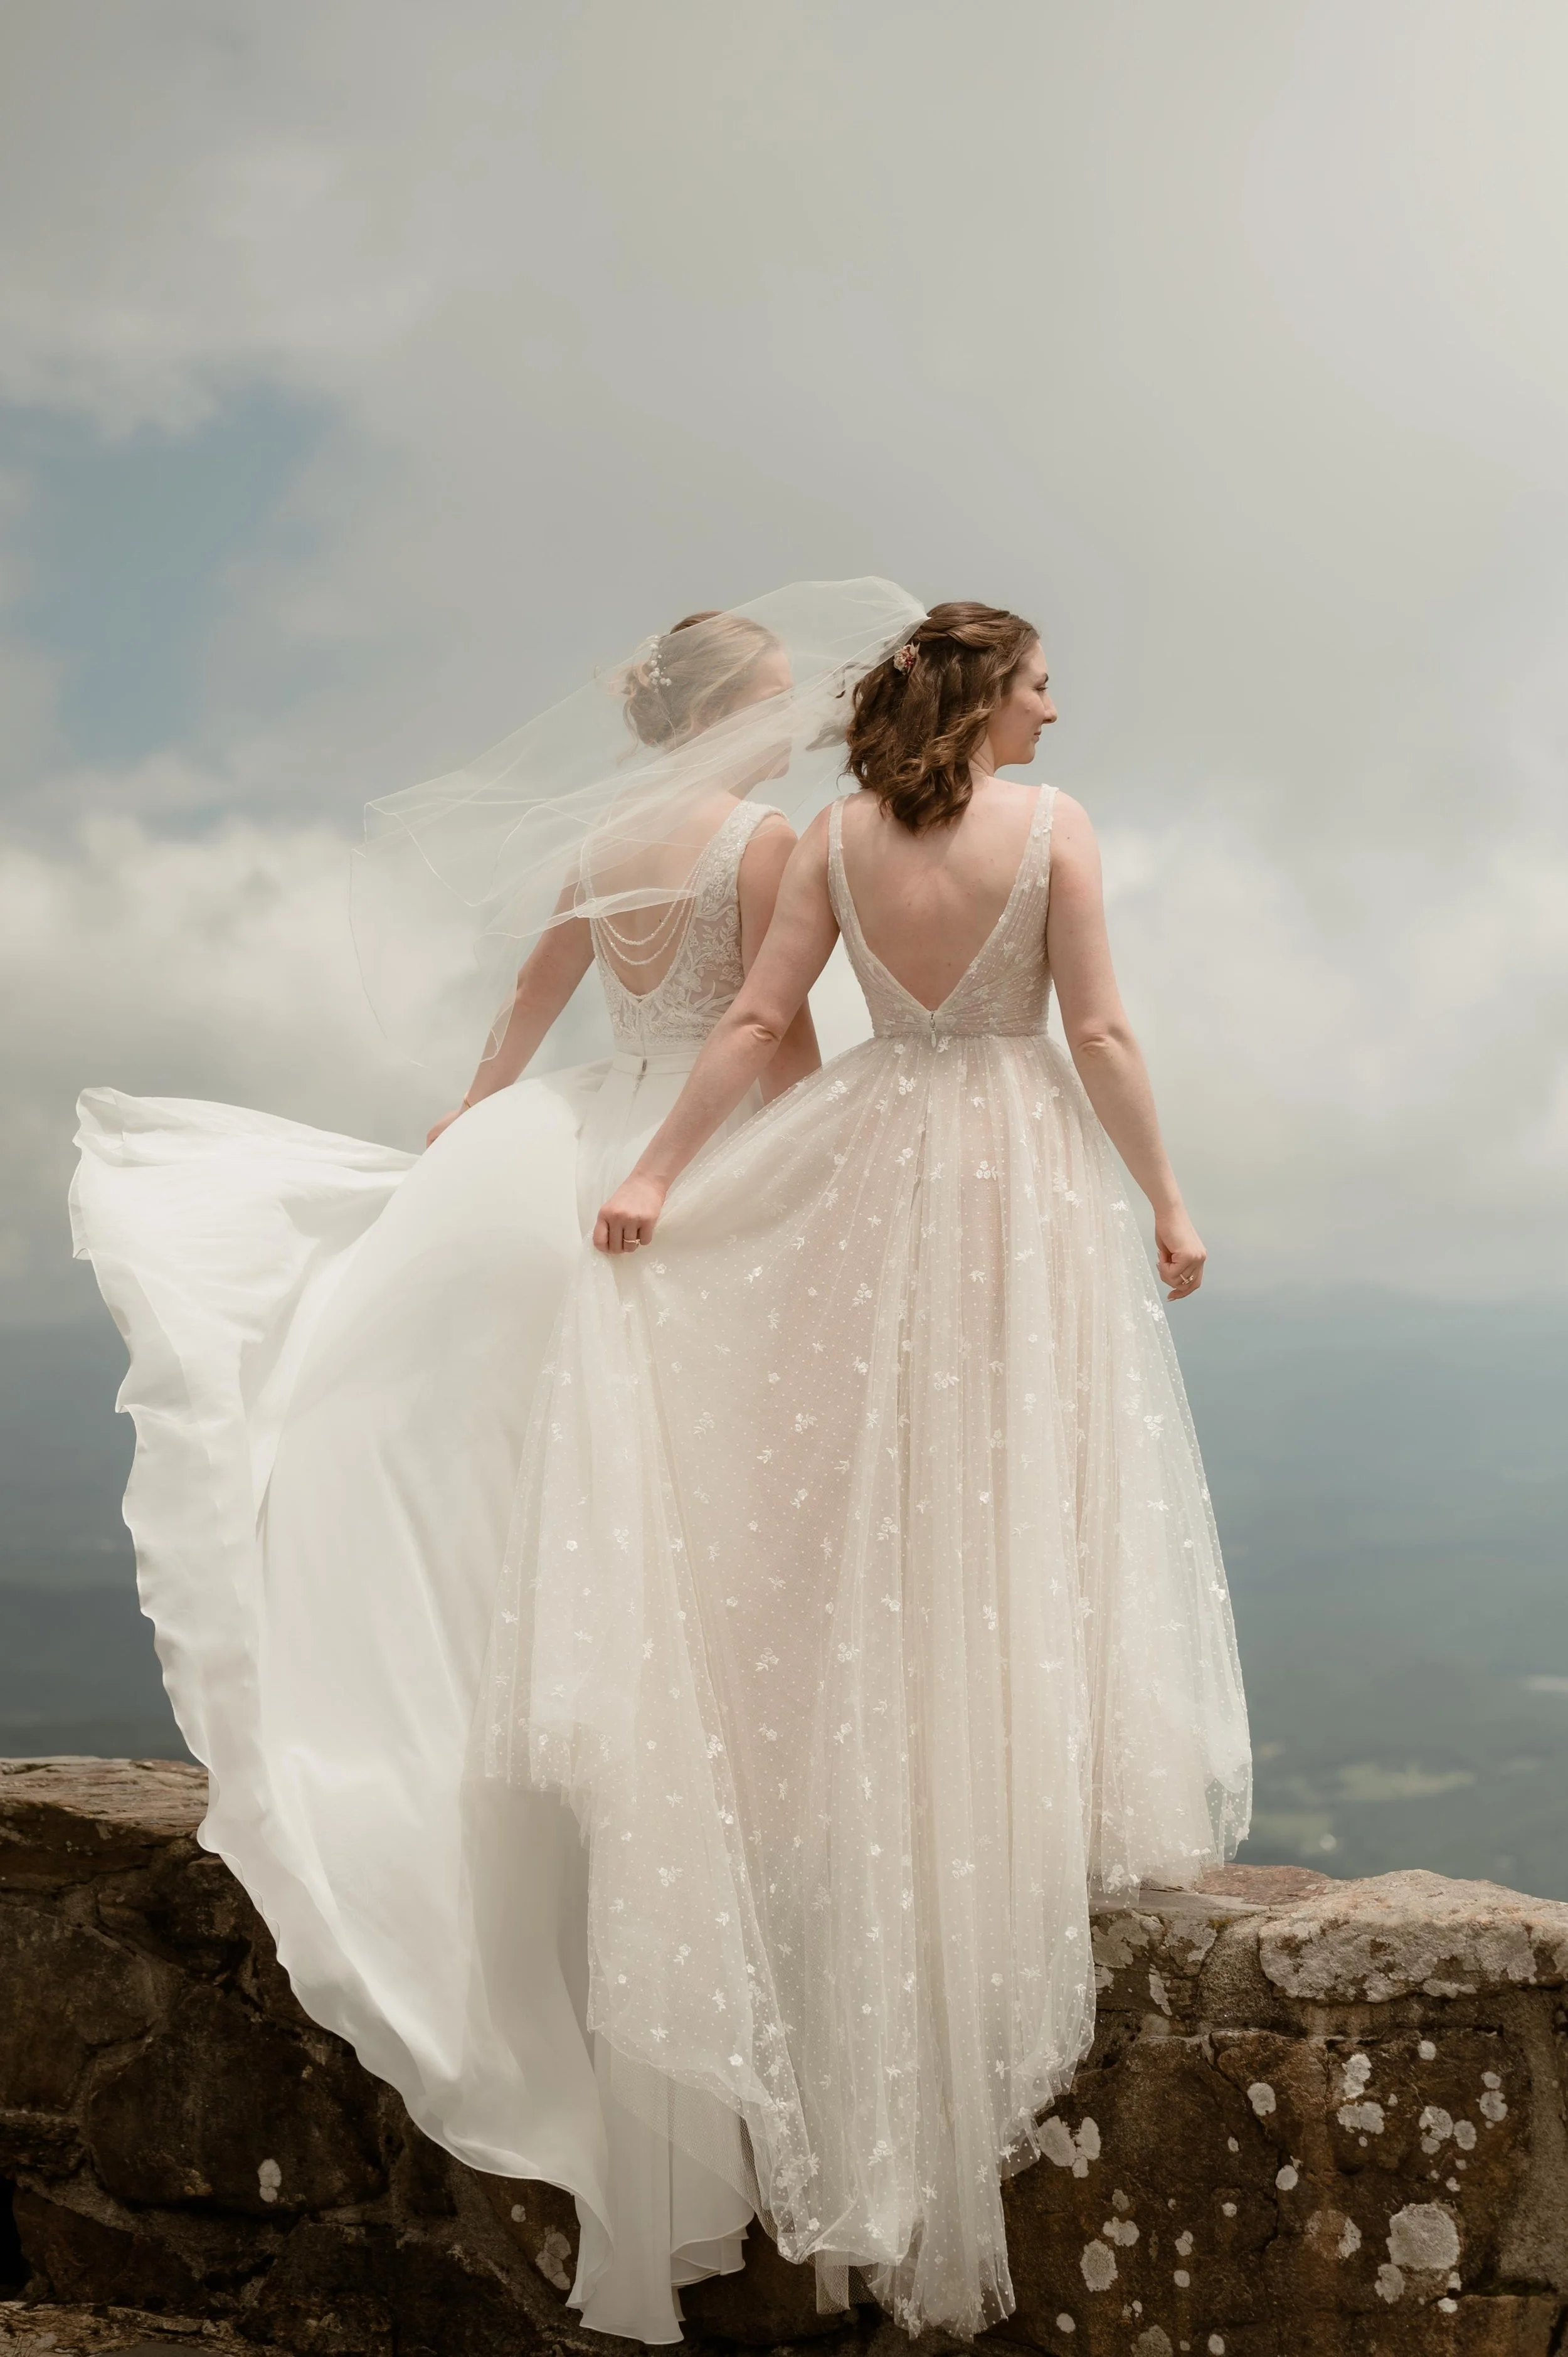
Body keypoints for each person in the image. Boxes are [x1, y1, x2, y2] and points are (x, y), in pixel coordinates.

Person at [70, 580, 925, 2343]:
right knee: (667, 1531)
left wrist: (469, 1124)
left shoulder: (607, 834)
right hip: (683, 1154)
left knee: (511, 1516)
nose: (790, 717)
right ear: (735, 711)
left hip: (565, 1138)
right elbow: (778, 1046)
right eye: (778, 695)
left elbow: (535, 1001)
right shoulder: (764, 845)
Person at [487, 601, 1252, 2341]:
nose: (1060, 705)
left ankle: (906, 1781)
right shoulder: (1052, 829)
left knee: (889, 1494)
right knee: (1018, 1479)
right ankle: (1015, 1782)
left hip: (876, 1158)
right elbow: (1103, 1037)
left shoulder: (831, 836)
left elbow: (755, 1025)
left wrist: (658, 1178)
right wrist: (1169, 1199)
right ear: (987, 699)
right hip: (1016, 1164)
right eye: (1044, 680)